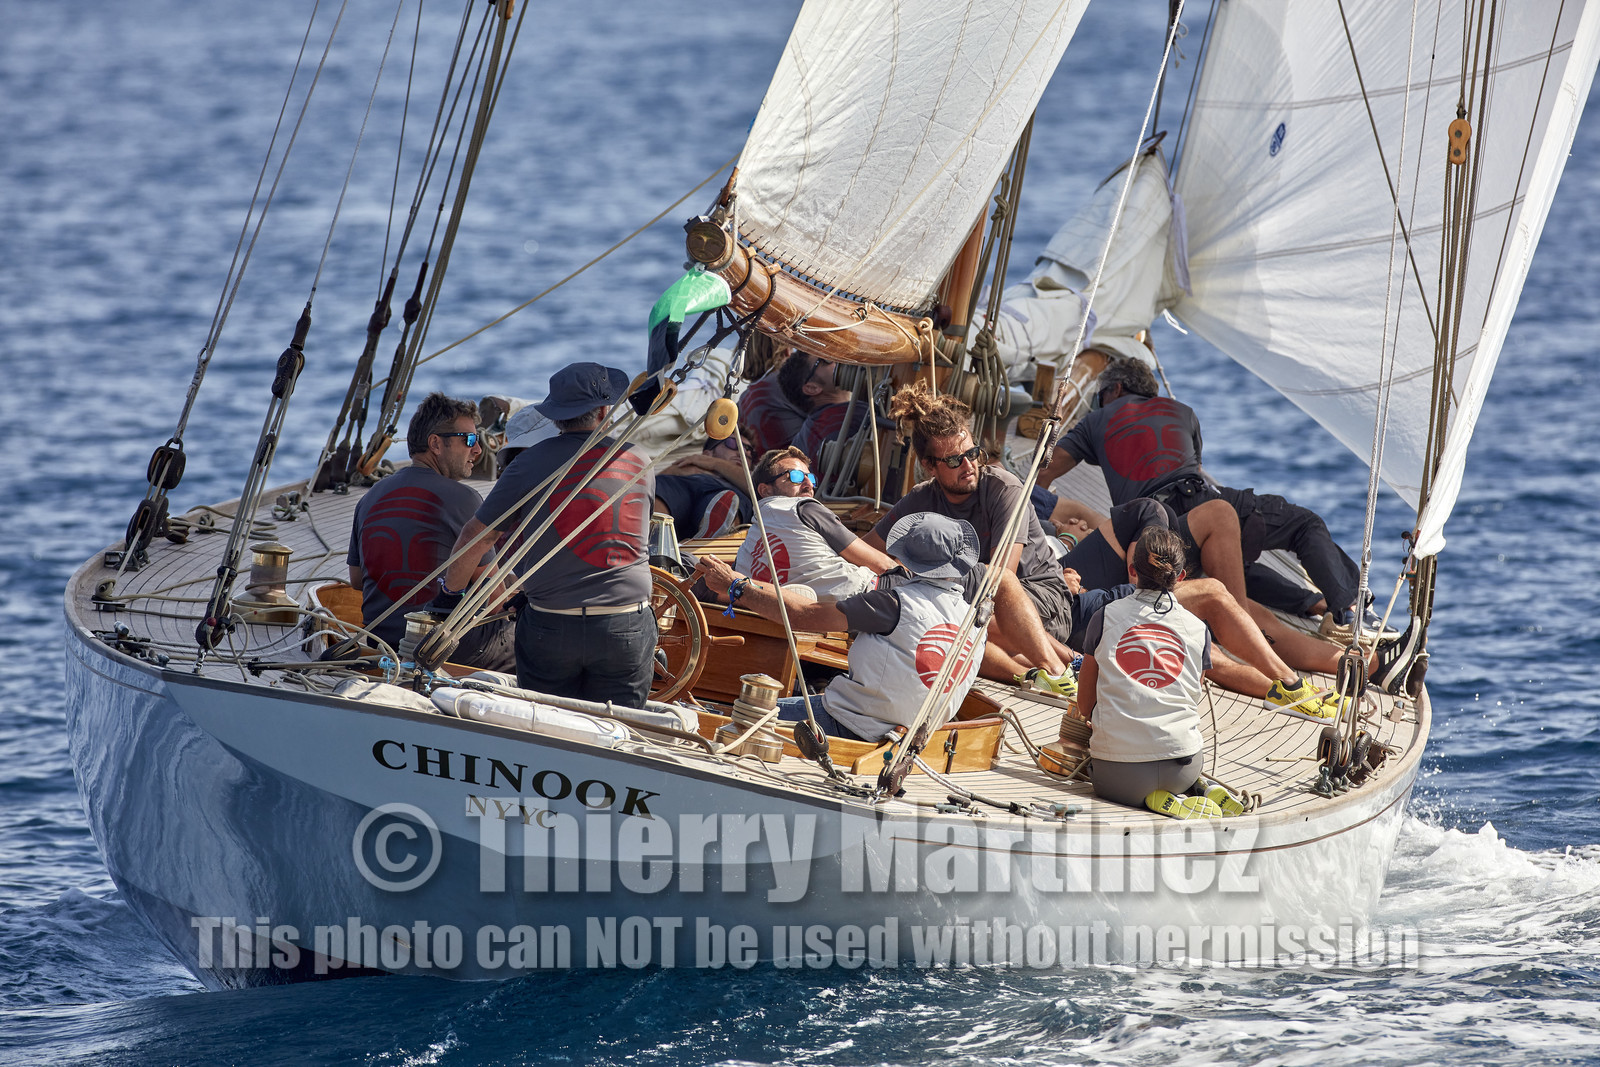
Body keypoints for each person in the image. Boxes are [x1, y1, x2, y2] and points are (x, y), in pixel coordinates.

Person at [1042, 355, 1367, 629]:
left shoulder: (1096, 420)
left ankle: (1314, 604)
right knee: (1300, 526)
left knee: (1216, 563)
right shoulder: (1183, 411)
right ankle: (1341, 611)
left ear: (1114, 389)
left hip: (1157, 529)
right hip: (1208, 498)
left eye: (1101, 397)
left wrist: (1042, 514)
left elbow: (1046, 468)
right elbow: (1192, 470)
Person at [443, 363, 656, 707]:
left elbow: (477, 537)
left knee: (546, 725)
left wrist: (447, 595)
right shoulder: (639, 459)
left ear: (557, 415)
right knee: (620, 731)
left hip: (553, 627)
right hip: (626, 624)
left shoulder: (529, 464)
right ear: (604, 410)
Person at [694, 513, 990, 742]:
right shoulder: (974, 619)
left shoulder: (892, 604)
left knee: (732, 714)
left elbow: (803, 616)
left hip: (850, 725)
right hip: (910, 737)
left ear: (905, 560)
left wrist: (735, 585)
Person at [865, 382, 1078, 694]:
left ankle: (1065, 665)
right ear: (928, 466)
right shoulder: (921, 499)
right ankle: (1032, 678)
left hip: (1038, 601)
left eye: (972, 454)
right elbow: (866, 549)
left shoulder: (1004, 489)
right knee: (947, 620)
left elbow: (1001, 579)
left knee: (956, 617)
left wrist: (909, 574)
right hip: (974, 605)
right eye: (954, 461)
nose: (969, 466)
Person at [346, 392, 514, 670]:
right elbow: (495, 602)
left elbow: (356, 578)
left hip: (379, 644)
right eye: (469, 440)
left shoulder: (369, 497)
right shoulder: (466, 499)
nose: (479, 450)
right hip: (445, 650)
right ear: (436, 443)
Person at [1079, 526, 1236, 818]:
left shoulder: (1105, 617)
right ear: (1181, 578)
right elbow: (1191, 692)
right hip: (1182, 768)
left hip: (1118, 779)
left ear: (1131, 571)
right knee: (1183, 766)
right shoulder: (1198, 630)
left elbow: (1085, 706)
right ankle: (1197, 789)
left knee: (1093, 763)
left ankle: (1158, 797)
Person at [734, 446, 895, 601]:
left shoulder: (745, 551)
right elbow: (881, 565)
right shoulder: (804, 508)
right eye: (796, 476)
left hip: (806, 613)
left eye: (810, 478)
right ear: (765, 490)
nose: (809, 484)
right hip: (862, 597)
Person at [653, 431, 754, 540]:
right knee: (662, 485)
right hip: (685, 489)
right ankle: (653, 537)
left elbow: (756, 487)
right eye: (733, 444)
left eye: (749, 450)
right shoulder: (682, 472)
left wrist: (715, 463)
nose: (743, 453)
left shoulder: (752, 480)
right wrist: (672, 471)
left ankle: (712, 537)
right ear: (707, 453)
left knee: (726, 499)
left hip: (722, 492)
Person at [779, 352, 874, 460]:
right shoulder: (850, 419)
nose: (837, 358)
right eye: (826, 359)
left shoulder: (802, 440)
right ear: (812, 388)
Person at [737, 341, 809, 455]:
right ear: (787, 351)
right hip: (800, 467)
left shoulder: (742, 400)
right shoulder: (788, 383)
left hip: (762, 470)